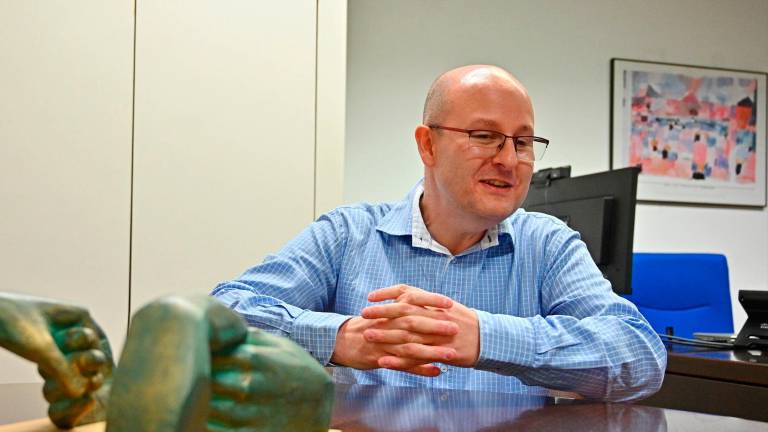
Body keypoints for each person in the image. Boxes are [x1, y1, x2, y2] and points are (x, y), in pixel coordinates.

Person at [211, 64, 666, 402]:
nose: (509, 160)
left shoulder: (548, 244)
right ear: (427, 144)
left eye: (523, 142)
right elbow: (222, 317)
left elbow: (641, 358)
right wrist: (341, 338)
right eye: (484, 136)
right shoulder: (348, 234)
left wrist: (486, 338)